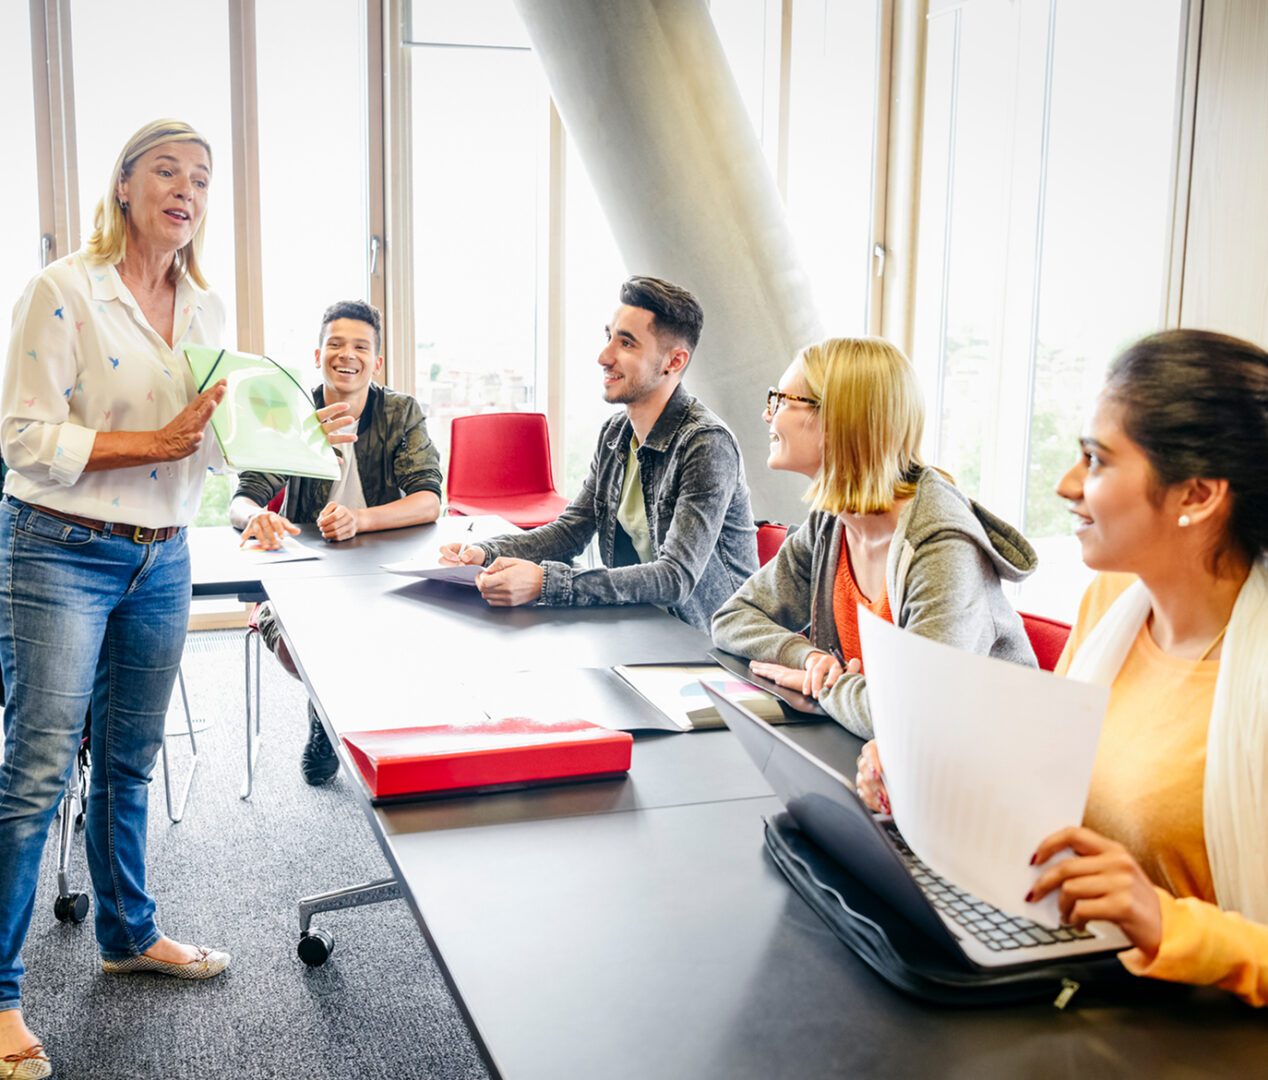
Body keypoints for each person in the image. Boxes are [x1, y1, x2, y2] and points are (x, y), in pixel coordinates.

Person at [0, 119, 354, 1079]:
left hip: (161, 554)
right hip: (59, 549)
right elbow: (25, 439)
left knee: (128, 761)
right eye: (167, 170)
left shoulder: (205, 307)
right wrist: (156, 445)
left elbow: (210, 441)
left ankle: (129, 933)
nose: (187, 189)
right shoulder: (63, 291)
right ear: (124, 186)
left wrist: (291, 433)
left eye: (201, 177)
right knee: (35, 775)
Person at [858, 329, 1268, 1006]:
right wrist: (928, 783)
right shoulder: (1112, 604)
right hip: (1082, 976)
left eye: (1096, 460)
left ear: (1196, 495)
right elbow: (1055, 789)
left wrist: (1166, 922)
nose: (1065, 483)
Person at [711, 337, 1037, 737]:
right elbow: (732, 618)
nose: (767, 414)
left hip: (979, 778)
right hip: (879, 760)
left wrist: (827, 686)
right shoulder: (831, 522)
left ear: (836, 421)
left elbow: (913, 720)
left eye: (780, 399)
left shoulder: (941, 548)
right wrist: (807, 658)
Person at [439, 276, 758, 632]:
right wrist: (484, 553)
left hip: (708, 644)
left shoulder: (705, 444)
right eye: (609, 337)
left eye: (627, 343)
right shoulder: (616, 434)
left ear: (674, 360)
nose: (604, 357)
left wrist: (545, 582)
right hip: (638, 623)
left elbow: (675, 578)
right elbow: (570, 531)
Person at [230, 299, 442, 784]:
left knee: (411, 634)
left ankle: (332, 710)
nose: (348, 356)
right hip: (304, 576)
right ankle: (330, 709)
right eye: (336, 345)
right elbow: (241, 499)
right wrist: (257, 518)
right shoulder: (291, 414)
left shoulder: (400, 412)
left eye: (361, 347)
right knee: (296, 640)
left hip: (383, 570)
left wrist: (360, 521)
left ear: (377, 361)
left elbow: (429, 500)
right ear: (318, 353)